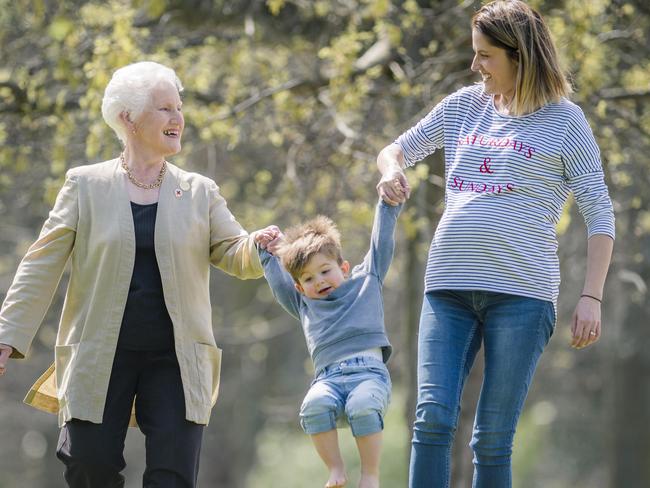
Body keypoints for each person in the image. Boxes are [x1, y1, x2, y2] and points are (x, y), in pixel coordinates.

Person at [375, 1, 615, 487]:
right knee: (432, 418)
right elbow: (396, 148)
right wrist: (391, 171)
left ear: (519, 55)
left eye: (485, 55)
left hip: (523, 296)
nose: (475, 66)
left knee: (491, 438)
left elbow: (600, 214)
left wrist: (591, 296)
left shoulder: (566, 122)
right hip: (448, 286)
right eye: (474, 53)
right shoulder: (465, 106)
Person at [0, 61, 270, 488]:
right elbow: (41, 263)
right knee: (90, 466)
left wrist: (263, 246)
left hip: (177, 359)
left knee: (172, 477)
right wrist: (7, 335)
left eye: (178, 108)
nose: (177, 118)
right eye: (164, 108)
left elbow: (236, 252)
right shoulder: (84, 185)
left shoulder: (200, 192)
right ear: (128, 117)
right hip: (99, 355)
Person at [254, 196, 404, 488]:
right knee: (313, 405)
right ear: (299, 287)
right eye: (308, 279)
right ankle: (336, 470)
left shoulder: (366, 280)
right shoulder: (304, 304)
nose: (319, 281)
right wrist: (266, 251)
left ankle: (370, 474)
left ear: (344, 267)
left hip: (369, 375)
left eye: (325, 271)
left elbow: (381, 243)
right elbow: (277, 283)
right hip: (329, 380)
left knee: (362, 405)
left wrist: (387, 204)